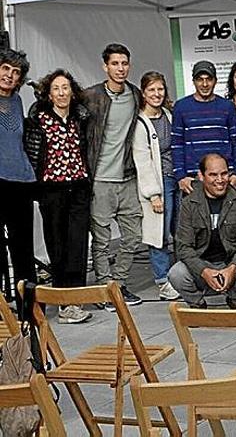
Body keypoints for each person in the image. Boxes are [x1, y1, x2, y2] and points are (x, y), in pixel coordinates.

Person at [24, 68, 91, 323]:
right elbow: (32, 152)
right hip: (52, 190)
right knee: (57, 244)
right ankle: (64, 302)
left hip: (79, 187)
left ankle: (76, 298)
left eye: (66, 88)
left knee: (77, 244)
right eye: (56, 89)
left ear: (72, 92)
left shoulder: (80, 118)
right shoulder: (38, 119)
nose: (62, 93)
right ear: (49, 94)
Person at [82, 43, 144, 307]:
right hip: (100, 178)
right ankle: (104, 289)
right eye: (115, 64)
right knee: (102, 239)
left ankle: (118, 284)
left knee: (133, 235)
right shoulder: (90, 96)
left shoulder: (135, 94)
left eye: (124, 63)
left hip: (128, 176)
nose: (120, 68)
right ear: (105, 66)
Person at [169, 154, 236, 308]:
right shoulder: (189, 203)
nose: (220, 180)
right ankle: (197, 303)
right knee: (176, 274)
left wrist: (233, 268)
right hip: (201, 263)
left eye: (224, 174)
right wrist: (204, 271)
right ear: (201, 176)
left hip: (230, 262)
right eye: (213, 175)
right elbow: (183, 247)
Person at [132, 71, 181, 302]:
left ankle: (182, 277)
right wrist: (153, 194)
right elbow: (142, 160)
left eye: (160, 89)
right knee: (159, 235)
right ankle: (163, 281)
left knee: (180, 231)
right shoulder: (141, 123)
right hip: (158, 184)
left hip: (176, 180)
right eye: (151, 90)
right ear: (144, 93)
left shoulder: (169, 116)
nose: (156, 94)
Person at [171, 60, 236, 197]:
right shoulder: (181, 107)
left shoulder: (227, 107)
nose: (204, 84)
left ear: (215, 81)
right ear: (193, 81)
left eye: (208, 79)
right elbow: (176, 144)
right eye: (200, 80)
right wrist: (180, 176)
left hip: (224, 179)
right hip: (193, 179)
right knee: (195, 218)